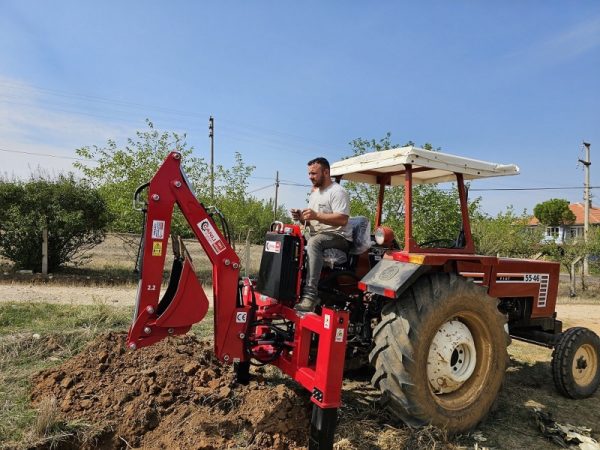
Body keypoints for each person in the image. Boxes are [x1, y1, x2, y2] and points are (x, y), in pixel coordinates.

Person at [291, 157, 352, 312]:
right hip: (319, 234)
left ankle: (310, 296)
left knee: (315, 242)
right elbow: (314, 220)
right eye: (309, 174)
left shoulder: (337, 192)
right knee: (290, 238)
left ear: (326, 172)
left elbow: (343, 220)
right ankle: (289, 287)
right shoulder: (315, 193)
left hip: (338, 237)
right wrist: (302, 218)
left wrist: (316, 215)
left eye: (314, 173)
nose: (310, 177)